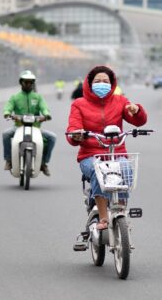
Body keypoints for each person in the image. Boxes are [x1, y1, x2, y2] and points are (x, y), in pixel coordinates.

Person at [66, 65, 147, 230]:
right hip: (90, 155)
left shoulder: (121, 101)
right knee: (98, 171)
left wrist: (137, 110)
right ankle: (103, 218)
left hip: (117, 153)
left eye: (105, 81)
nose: (101, 84)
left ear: (112, 84)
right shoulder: (79, 104)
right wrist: (76, 135)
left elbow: (138, 121)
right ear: (89, 83)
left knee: (125, 168)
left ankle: (121, 209)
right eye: (97, 81)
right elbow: (73, 129)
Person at [2, 70, 56, 176]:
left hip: (35, 128)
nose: (28, 84)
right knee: (5, 134)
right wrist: (7, 113)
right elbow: (8, 107)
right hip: (18, 127)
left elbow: (44, 107)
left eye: (31, 82)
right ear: (21, 82)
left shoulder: (38, 97)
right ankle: (8, 160)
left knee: (52, 137)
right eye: (26, 82)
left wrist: (46, 115)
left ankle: (43, 163)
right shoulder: (15, 97)